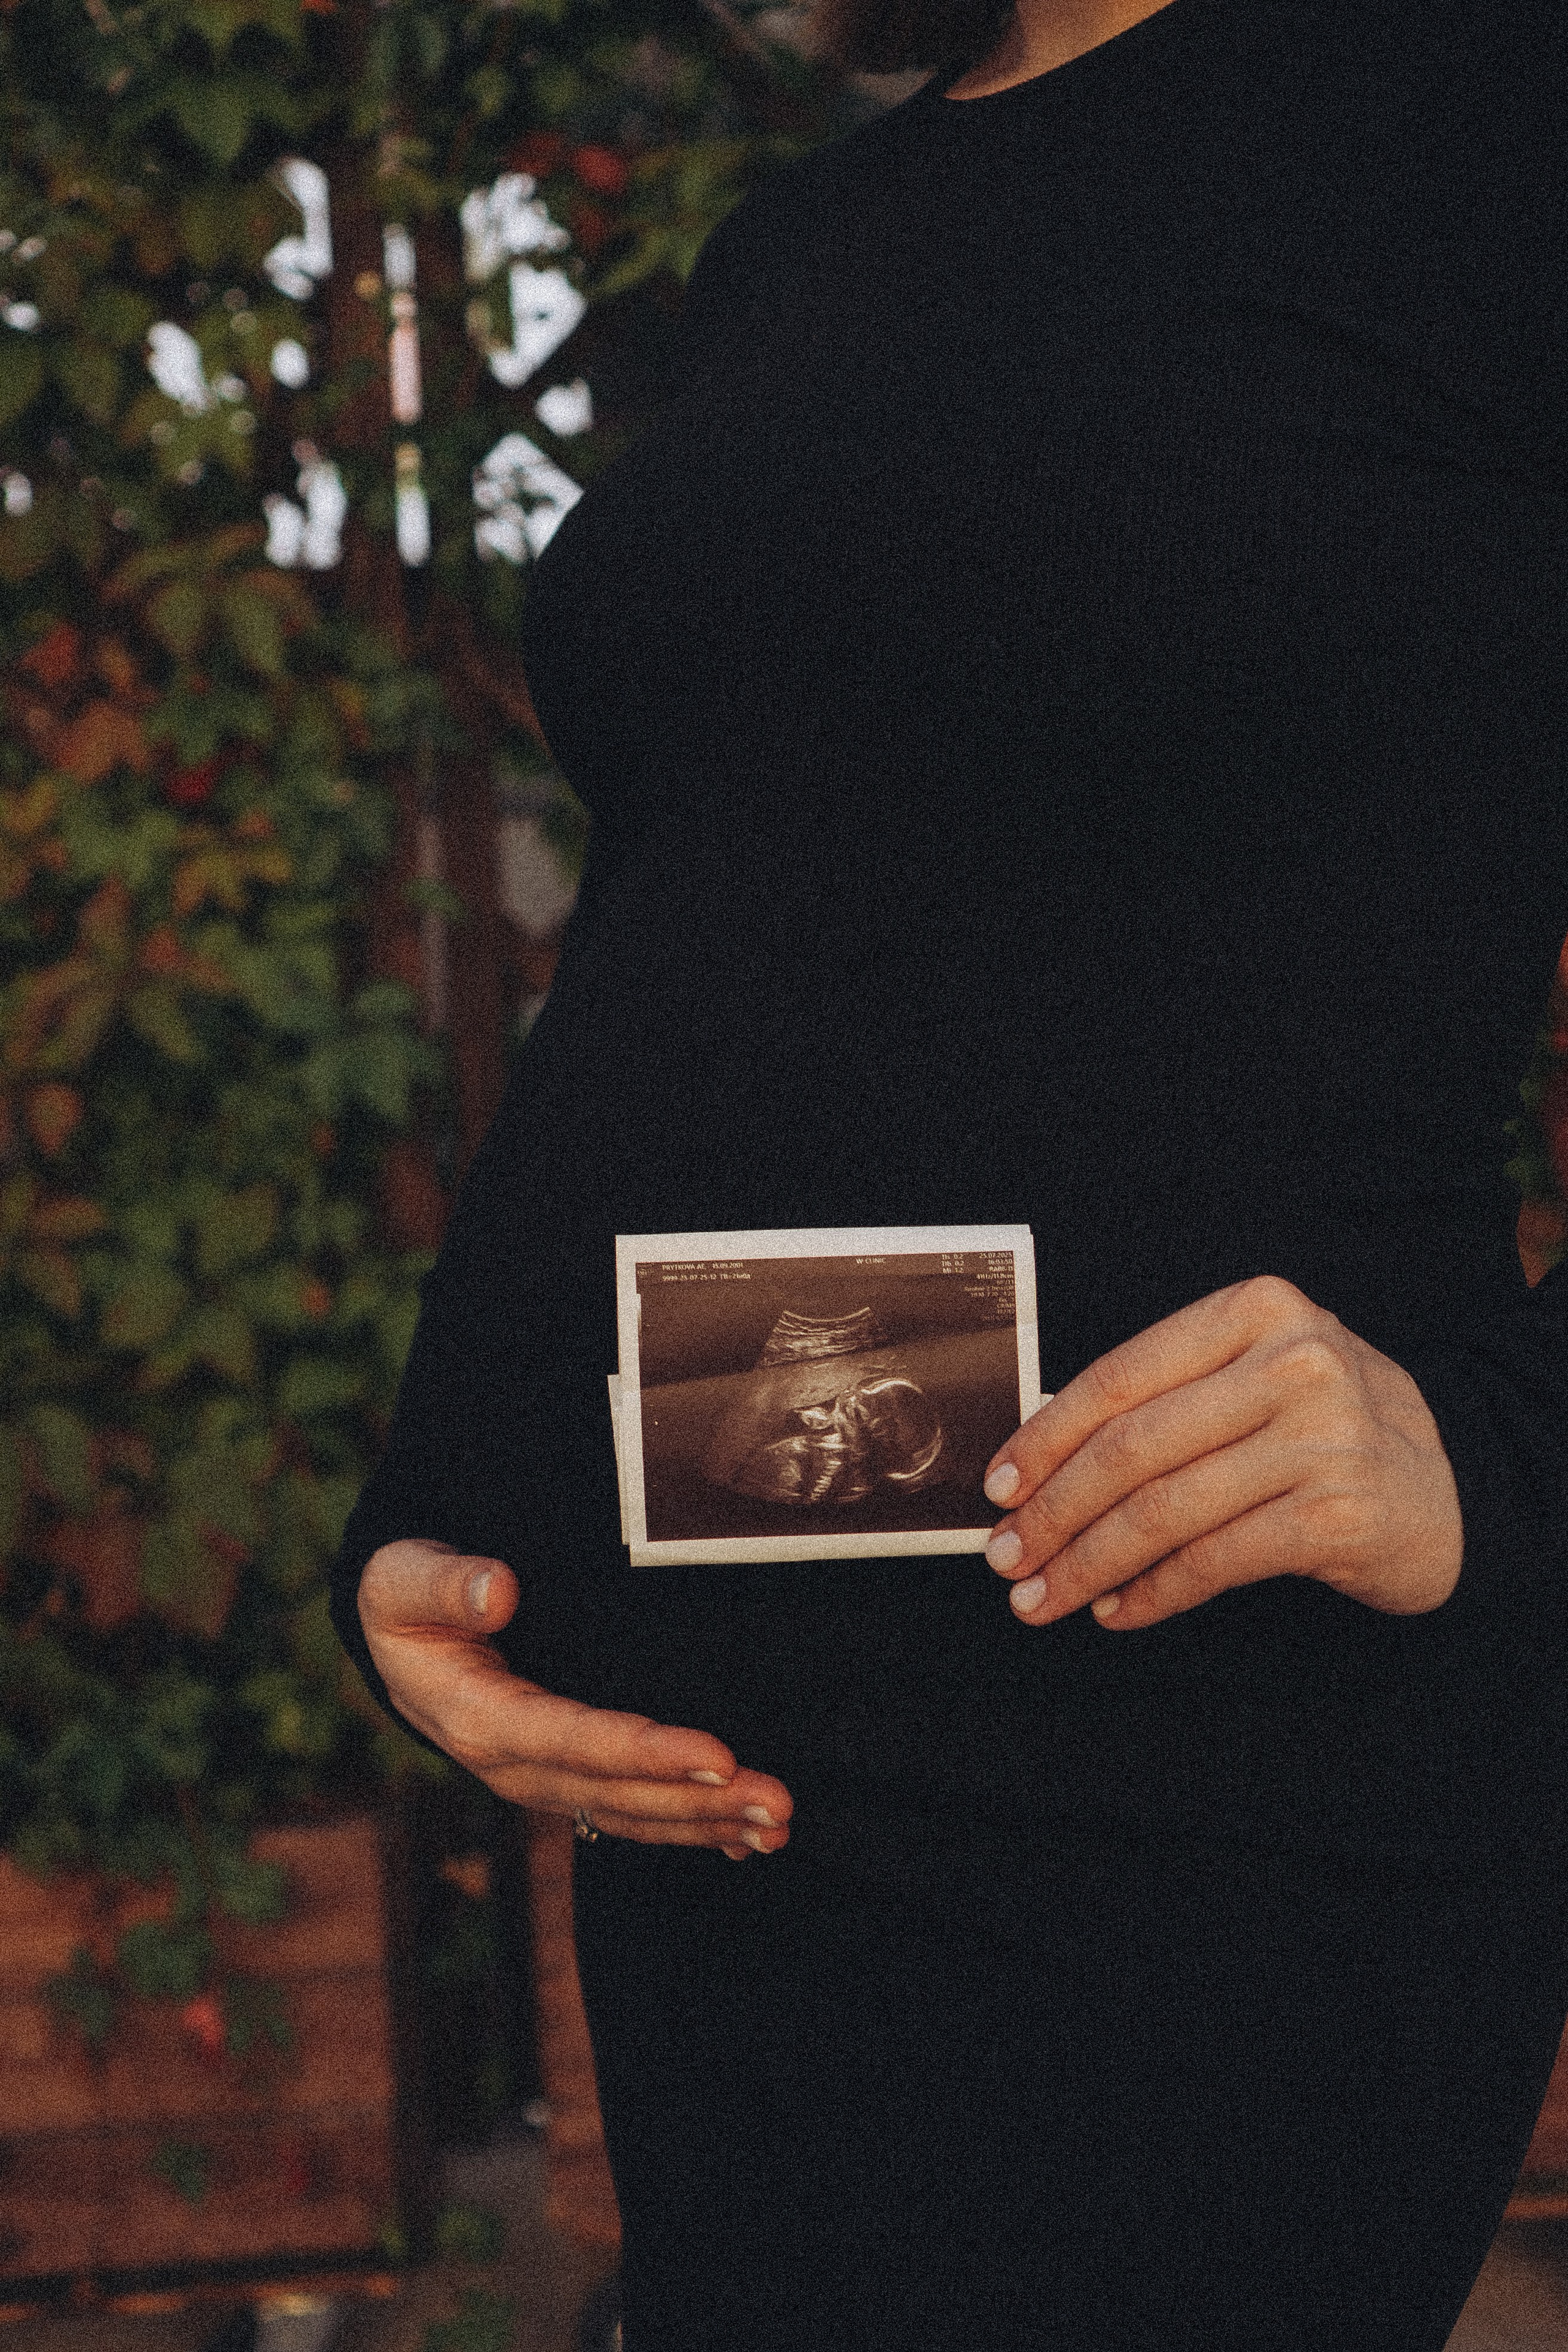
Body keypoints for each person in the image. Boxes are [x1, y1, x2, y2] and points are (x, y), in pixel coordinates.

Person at [331, 0, 1568, 2340]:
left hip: (1212, 1801)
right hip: (744, 1818)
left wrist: (1508, 1454)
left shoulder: (1486, 116)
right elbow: (701, 924)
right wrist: (440, 1510)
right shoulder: (801, 242)